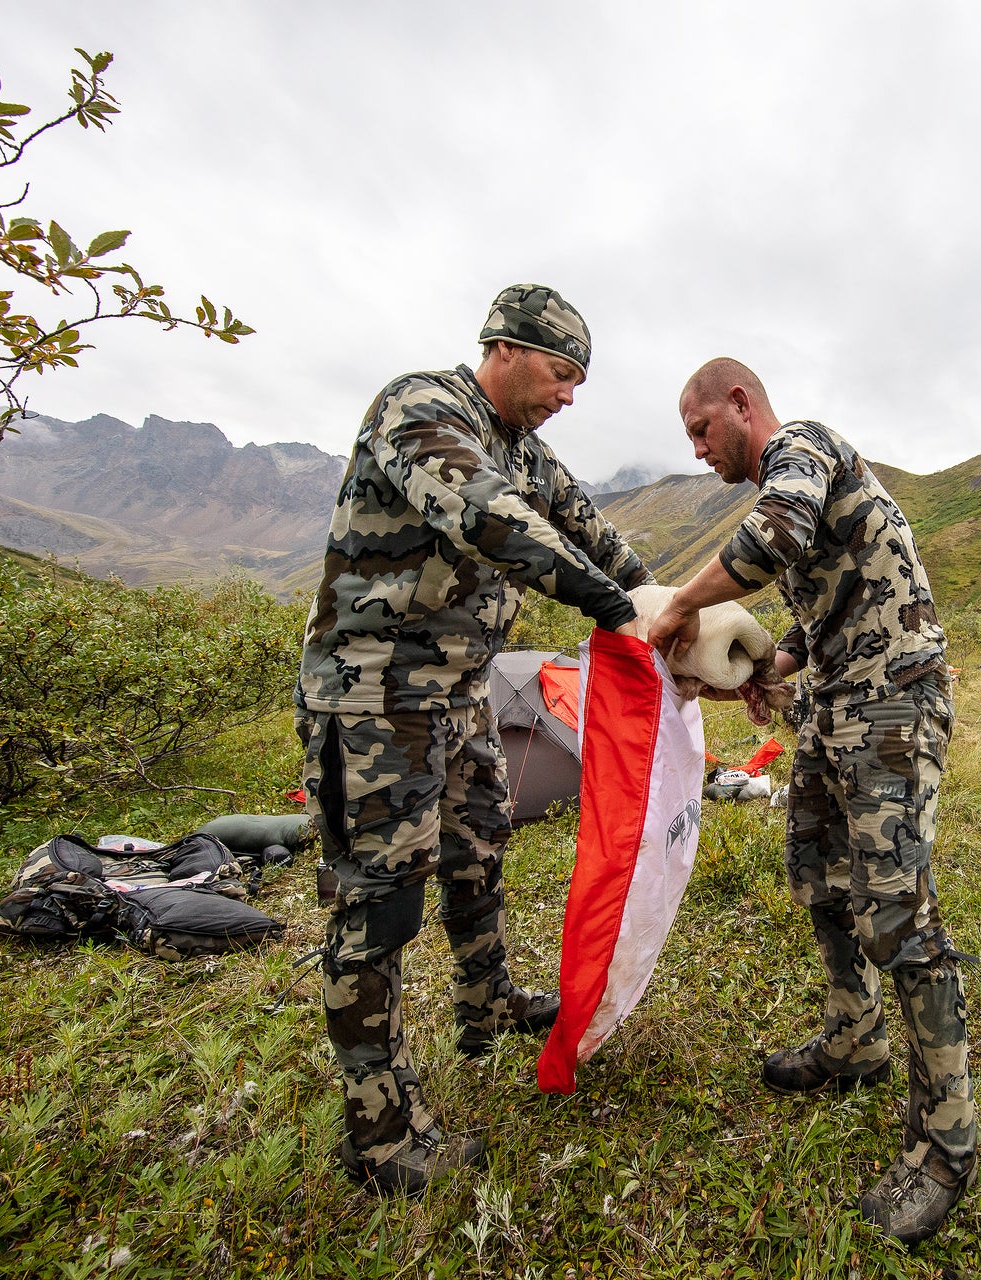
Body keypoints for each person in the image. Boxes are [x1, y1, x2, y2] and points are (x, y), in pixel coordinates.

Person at [295, 284, 652, 1194]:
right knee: (380, 908)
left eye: (580, 381)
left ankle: (485, 1001)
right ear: (504, 347)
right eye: (561, 373)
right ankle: (379, 1135)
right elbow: (493, 519)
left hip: (460, 697)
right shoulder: (423, 408)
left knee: (479, 853)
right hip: (377, 701)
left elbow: (589, 530)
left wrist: (661, 605)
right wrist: (615, 610)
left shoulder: (524, 448)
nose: (570, 395)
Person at [646, 358, 976, 1244]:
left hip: (894, 704)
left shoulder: (804, 448)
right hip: (836, 705)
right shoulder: (794, 479)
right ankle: (854, 1038)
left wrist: (682, 605)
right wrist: (767, 668)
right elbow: (820, 602)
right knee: (823, 882)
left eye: (700, 430)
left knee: (900, 921)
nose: (699, 449)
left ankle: (947, 1146)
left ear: (741, 406)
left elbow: (777, 535)